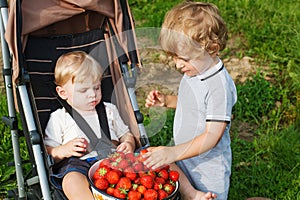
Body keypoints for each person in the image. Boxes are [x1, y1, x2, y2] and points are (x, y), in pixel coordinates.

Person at [143, 2, 237, 200]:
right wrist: (167, 101)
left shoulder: (219, 88)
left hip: (207, 168)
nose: (177, 64)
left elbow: (212, 136)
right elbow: (194, 104)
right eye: (173, 56)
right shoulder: (196, 70)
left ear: (212, 49)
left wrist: (173, 153)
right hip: (184, 157)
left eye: (183, 58)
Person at [44, 51, 136, 200]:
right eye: (83, 90)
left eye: (97, 87)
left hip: (115, 161)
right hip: (80, 166)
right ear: (62, 93)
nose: (93, 94)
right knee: (71, 181)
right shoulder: (59, 118)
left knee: (154, 156)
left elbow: (125, 133)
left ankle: (188, 194)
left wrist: (128, 143)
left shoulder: (109, 110)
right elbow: (49, 151)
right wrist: (63, 150)